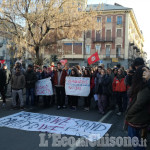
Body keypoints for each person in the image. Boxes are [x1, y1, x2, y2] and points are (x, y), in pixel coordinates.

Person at [125, 66, 150, 150]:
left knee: (135, 141)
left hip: (136, 118)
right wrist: (128, 75)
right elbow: (129, 87)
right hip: (137, 117)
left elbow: (139, 104)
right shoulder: (139, 84)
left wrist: (129, 113)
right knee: (136, 139)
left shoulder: (145, 87)